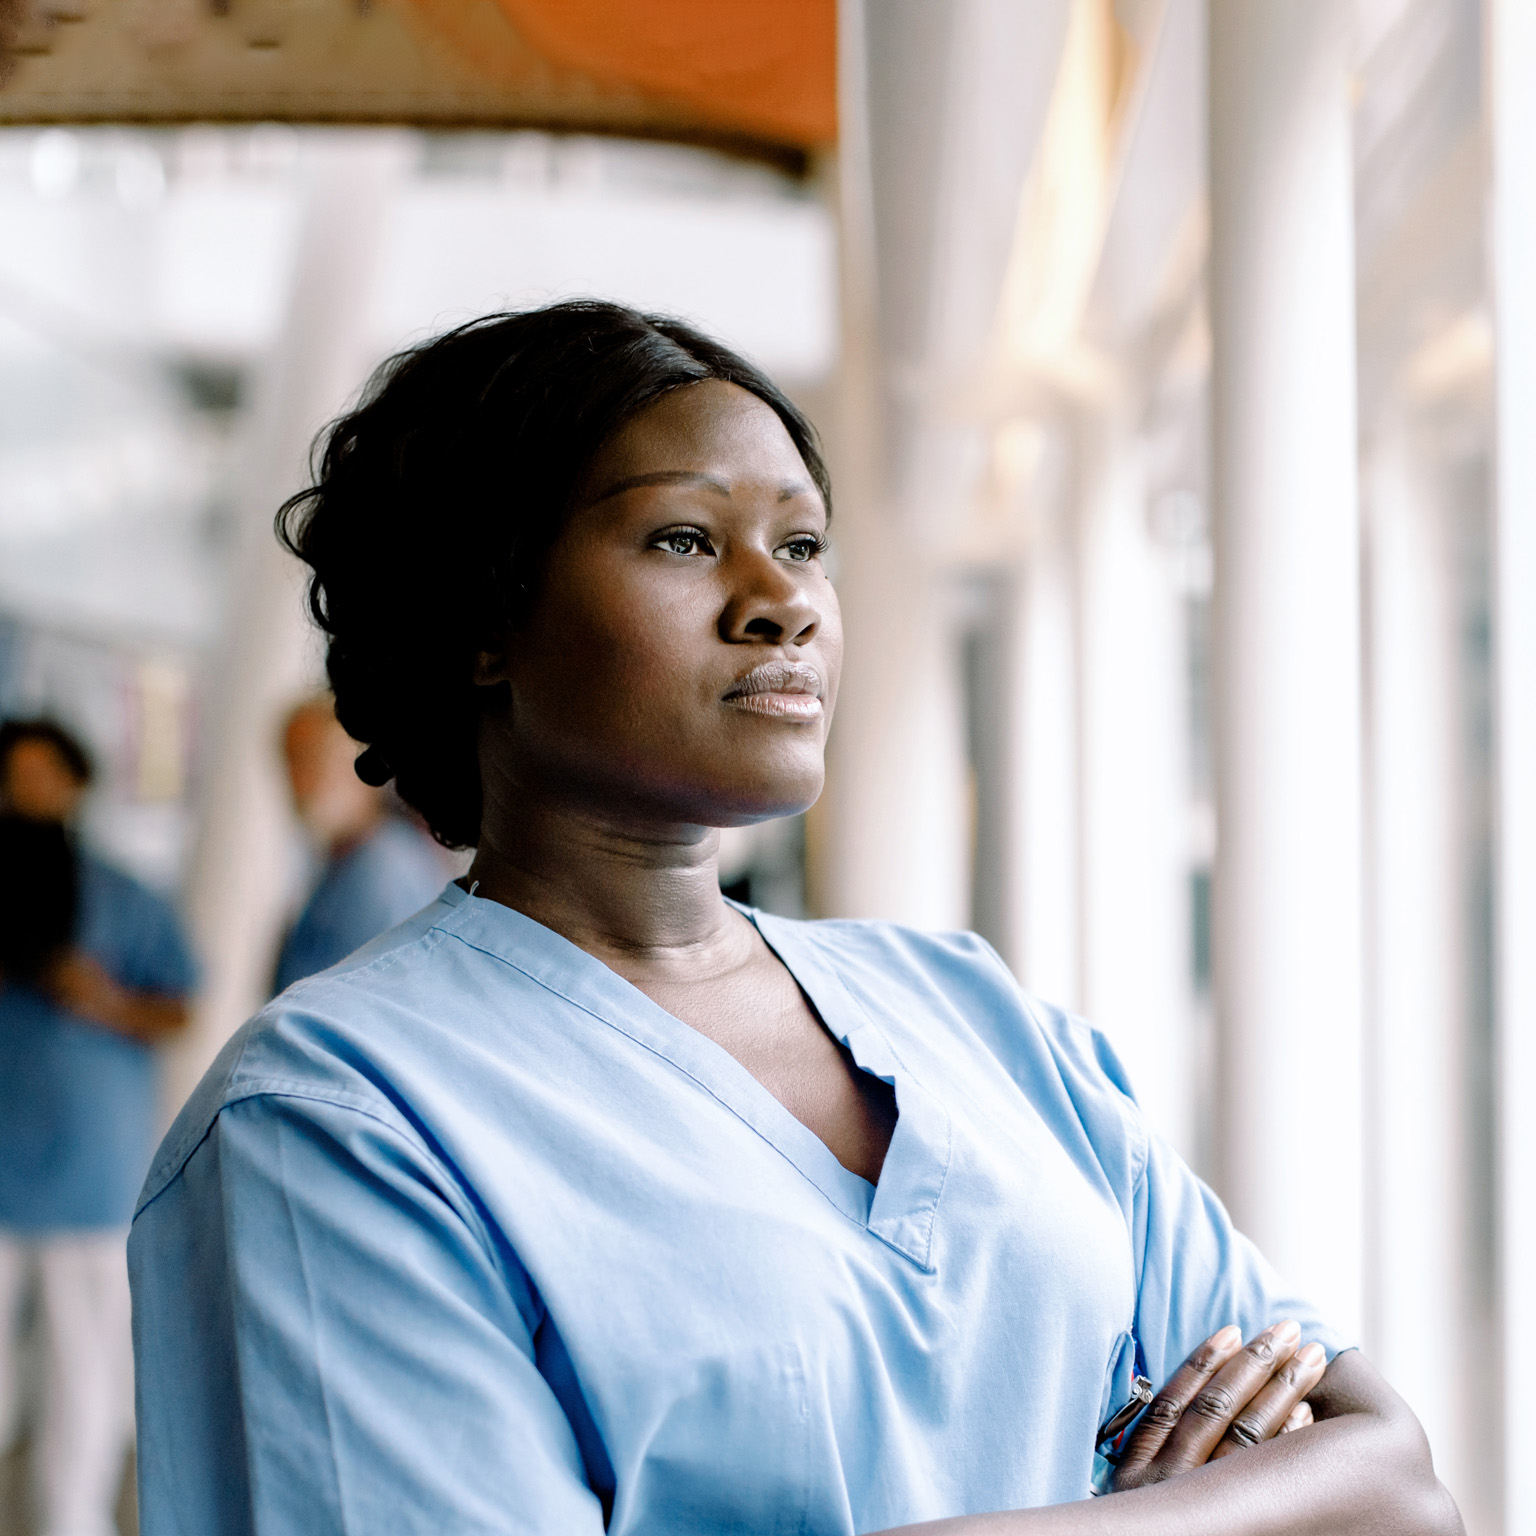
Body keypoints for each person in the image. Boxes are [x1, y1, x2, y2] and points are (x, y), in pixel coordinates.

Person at [127, 303, 1461, 1536]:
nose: (784, 601)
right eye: (686, 539)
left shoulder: (970, 1012)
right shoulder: (336, 1120)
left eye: (806, 543)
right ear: (489, 615)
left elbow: (1395, 1480)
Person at [0, 717, 195, 1536]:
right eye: (14, 776)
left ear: (76, 785)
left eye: (46, 775)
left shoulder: (123, 895)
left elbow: (181, 1005)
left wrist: (105, 1000)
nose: (28, 792)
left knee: (83, 1383)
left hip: (88, 1177)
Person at [273, 694, 448, 994]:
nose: (300, 781)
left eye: (314, 758)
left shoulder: (388, 872)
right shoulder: (337, 862)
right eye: (290, 761)